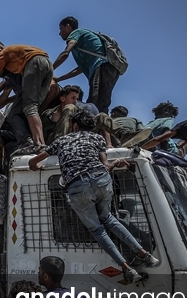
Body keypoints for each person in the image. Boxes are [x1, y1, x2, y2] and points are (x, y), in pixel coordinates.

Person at [28, 109, 160, 283]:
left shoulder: (61, 141)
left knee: (98, 230)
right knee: (109, 219)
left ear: (74, 125)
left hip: (77, 186)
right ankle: (145, 254)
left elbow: (32, 162)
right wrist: (115, 164)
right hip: (101, 180)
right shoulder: (97, 138)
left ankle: (127, 268)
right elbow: (105, 165)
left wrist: (37, 168)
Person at [0, 39, 53, 152]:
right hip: (47, 64)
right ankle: (40, 144)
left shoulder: (4, 53)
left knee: (24, 110)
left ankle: (32, 143)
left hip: (34, 63)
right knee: (30, 109)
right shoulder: (15, 64)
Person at [52, 17, 120, 113]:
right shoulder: (84, 43)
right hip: (111, 68)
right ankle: (102, 124)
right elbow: (79, 69)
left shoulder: (75, 33)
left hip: (102, 66)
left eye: (60, 29)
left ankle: (91, 126)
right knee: (102, 102)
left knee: (94, 102)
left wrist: (49, 69)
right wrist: (59, 79)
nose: (60, 33)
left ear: (68, 27)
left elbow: (65, 53)